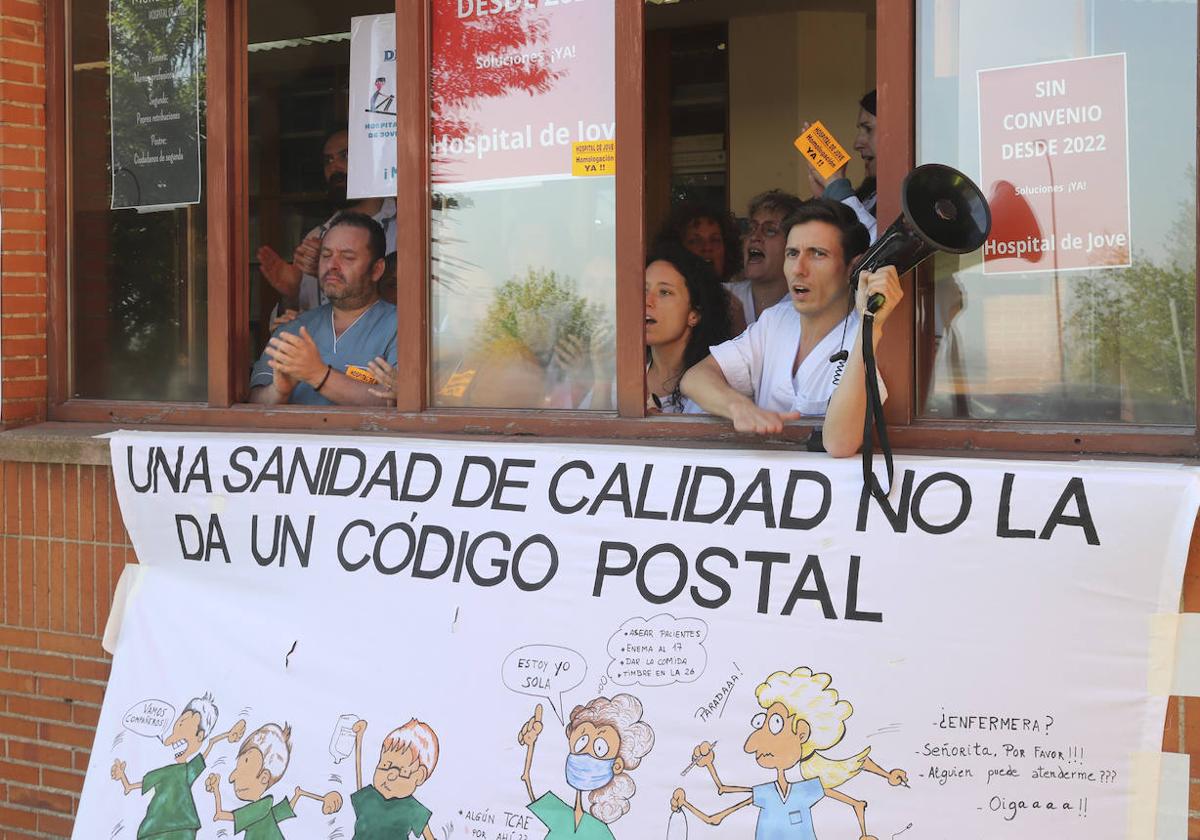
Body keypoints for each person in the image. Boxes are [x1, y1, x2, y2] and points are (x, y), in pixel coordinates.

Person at [680, 199, 902, 457]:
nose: (798, 269)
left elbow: (840, 442)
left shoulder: (867, 332)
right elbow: (695, 378)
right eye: (792, 253)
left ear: (854, 267)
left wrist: (869, 326)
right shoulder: (775, 321)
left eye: (818, 254)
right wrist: (737, 406)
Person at [670, 666, 907, 840]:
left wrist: (866, 830)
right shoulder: (766, 793)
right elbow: (717, 810)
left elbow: (857, 803)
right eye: (761, 723)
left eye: (774, 724)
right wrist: (706, 771)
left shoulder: (807, 790)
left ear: (801, 733)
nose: (751, 745)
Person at [249, 213, 397, 407]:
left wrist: (318, 374)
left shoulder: (400, 326)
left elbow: (396, 400)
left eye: (348, 257)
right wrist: (278, 392)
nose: (332, 265)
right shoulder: (294, 328)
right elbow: (253, 400)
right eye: (326, 255)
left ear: (377, 270)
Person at [258, 127, 398, 320]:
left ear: (374, 159)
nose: (335, 167)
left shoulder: (407, 227)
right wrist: (291, 294)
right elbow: (300, 321)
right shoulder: (316, 238)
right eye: (328, 160)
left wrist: (336, 273)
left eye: (345, 155)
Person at [517, 694, 654, 839]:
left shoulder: (599, 831)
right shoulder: (563, 816)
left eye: (600, 748)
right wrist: (531, 746)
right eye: (581, 742)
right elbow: (530, 785)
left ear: (617, 765)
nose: (585, 753)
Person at [111, 694, 246, 840]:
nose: (175, 734)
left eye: (183, 725)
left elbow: (210, 745)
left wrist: (227, 735)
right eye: (179, 724)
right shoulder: (167, 772)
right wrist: (121, 776)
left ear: (199, 736)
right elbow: (130, 787)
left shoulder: (186, 771)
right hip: (157, 827)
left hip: (180, 826)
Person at [203, 722, 342, 838]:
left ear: (264, 777)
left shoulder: (257, 810)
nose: (232, 777)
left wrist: (216, 790)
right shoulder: (266, 808)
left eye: (245, 766)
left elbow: (219, 815)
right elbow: (282, 812)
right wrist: (298, 795)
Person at [644, 242, 732, 413]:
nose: (647, 301)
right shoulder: (623, 373)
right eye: (643, 290)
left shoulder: (716, 383)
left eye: (664, 292)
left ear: (694, 314)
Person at [655, 203, 747, 333]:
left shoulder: (735, 303)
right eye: (695, 241)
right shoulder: (664, 299)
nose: (707, 247)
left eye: (714, 240)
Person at [346, 717, 440, 840]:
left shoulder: (413, 809)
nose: (390, 776)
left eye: (402, 771)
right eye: (385, 766)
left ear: (419, 776)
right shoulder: (367, 796)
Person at [804, 90, 878, 242]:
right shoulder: (870, 194)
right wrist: (827, 201)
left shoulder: (914, 196)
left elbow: (880, 250)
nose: (857, 144)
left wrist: (837, 188)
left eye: (868, 129)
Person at [726, 190, 804, 328]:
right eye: (752, 228)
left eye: (770, 230)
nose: (755, 236)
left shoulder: (806, 309)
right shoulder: (723, 297)